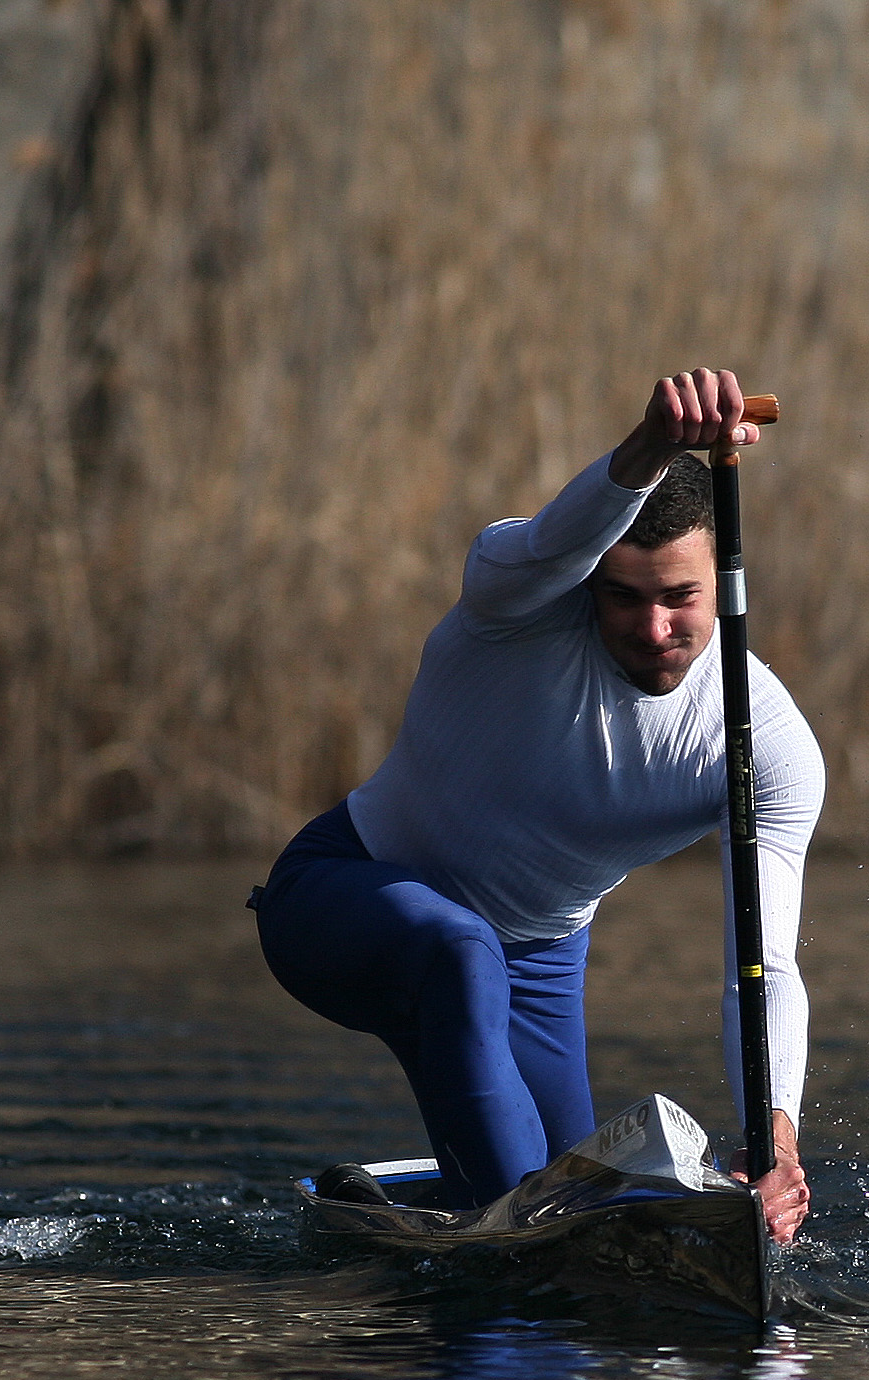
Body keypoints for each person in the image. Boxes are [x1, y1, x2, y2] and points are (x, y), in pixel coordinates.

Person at [253, 369, 823, 1243]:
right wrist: (648, 448)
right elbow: (556, 543)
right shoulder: (514, 602)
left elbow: (764, 969)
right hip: (344, 898)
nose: (654, 628)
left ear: (723, 584)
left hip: (540, 969)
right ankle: (508, 1227)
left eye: (681, 599)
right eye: (624, 597)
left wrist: (774, 1141)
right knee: (464, 962)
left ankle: (483, 1214)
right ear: (591, 581)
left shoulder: (763, 744)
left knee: (572, 1191)